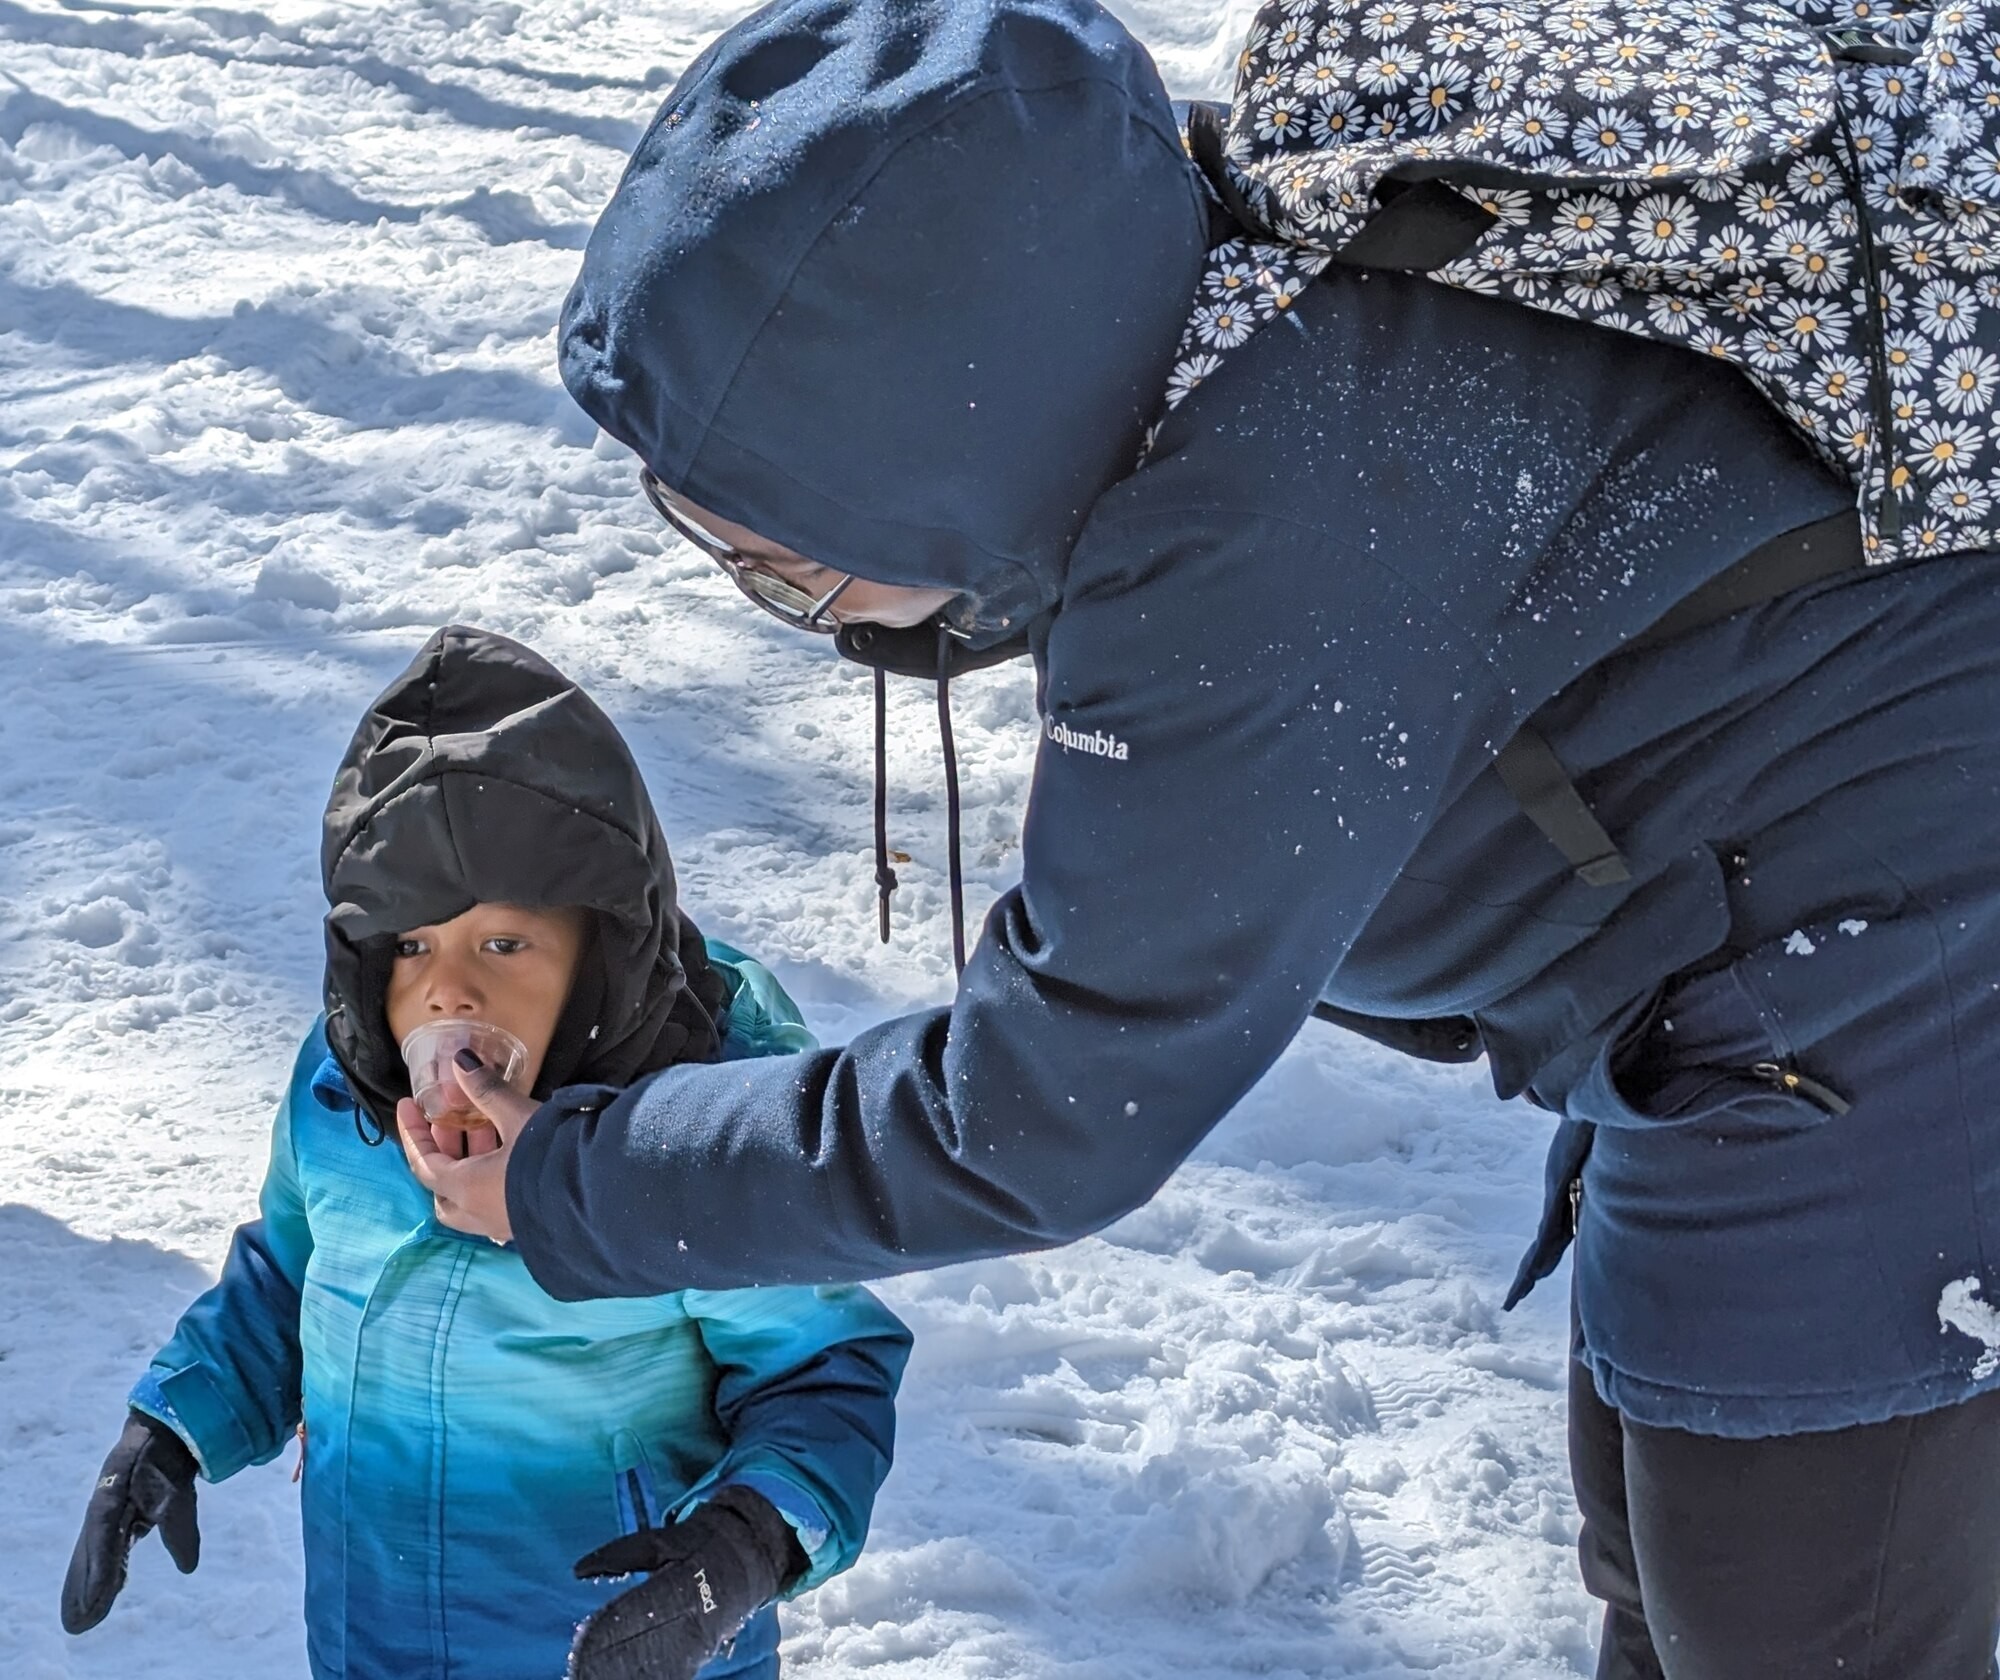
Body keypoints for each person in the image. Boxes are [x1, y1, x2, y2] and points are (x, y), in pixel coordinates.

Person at [397, 0, 2000, 1673]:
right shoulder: (1229, 278)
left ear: (955, 443)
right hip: (1750, 957)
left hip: (1882, 977)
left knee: (1795, 1618)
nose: (796, 612)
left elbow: (1036, 1114)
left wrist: (574, 1182)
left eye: (791, 564)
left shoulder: (1253, 542)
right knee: (1670, 1571)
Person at [61, 626, 912, 1680]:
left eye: (503, 943)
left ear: (602, 953)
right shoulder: (343, 1097)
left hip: (626, 1652)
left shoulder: (689, 1142)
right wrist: (172, 1429)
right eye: (412, 945)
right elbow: (289, 1274)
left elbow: (821, 1369)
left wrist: (740, 1548)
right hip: (374, 1646)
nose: (449, 990)